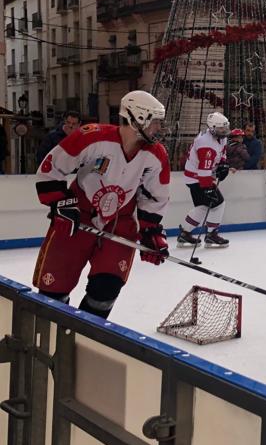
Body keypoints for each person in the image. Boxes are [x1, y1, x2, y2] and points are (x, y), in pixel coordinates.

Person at [32, 91, 170, 319]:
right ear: (136, 119)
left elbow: (156, 195)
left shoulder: (156, 155)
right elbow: (52, 167)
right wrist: (60, 202)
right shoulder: (92, 137)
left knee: (105, 291)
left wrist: (151, 230)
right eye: (155, 121)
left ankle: (84, 340)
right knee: (52, 293)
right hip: (78, 218)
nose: (158, 128)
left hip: (121, 223)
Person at [178, 112, 231, 248]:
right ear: (212, 128)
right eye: (220, 128)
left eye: (225, 128)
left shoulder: (220, 137)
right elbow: (204, 170)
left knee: (202, 207)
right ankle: (211, 234)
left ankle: (185, 233)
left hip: (199, 177)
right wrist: (207, 187)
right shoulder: (206, 144)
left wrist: (223, 164)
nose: (224, 131)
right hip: (197, 178)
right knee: (219, 204)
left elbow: (222, 152)